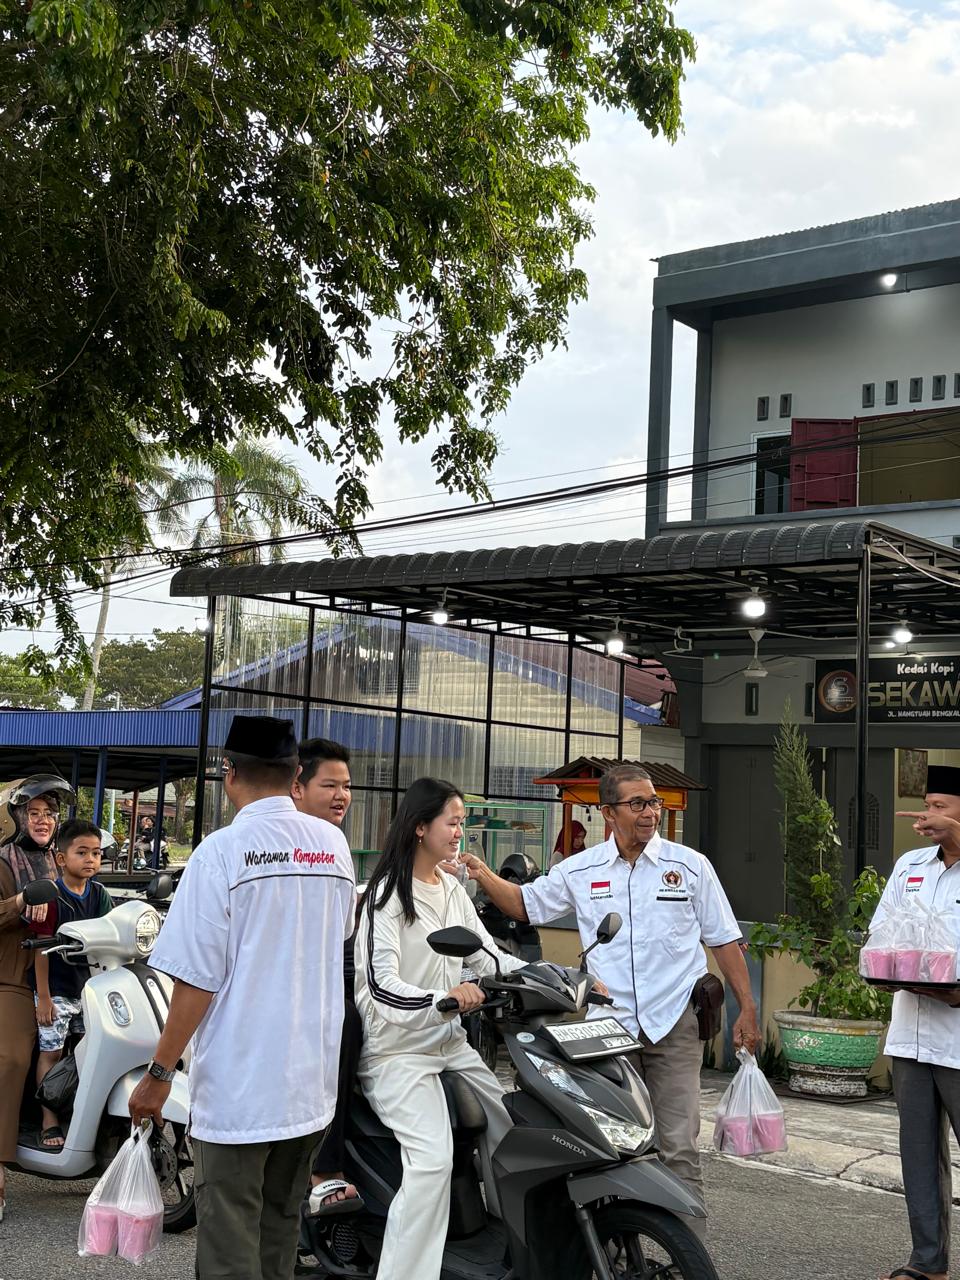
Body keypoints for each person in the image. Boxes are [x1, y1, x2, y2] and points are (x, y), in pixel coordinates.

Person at [462, 762, 760, 1231]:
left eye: (653, 802)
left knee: (678, 1146)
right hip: (607, 1032)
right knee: (612, 1146)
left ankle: (687, 1255)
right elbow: (524, 904)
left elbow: (724, 940)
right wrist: (481, 873)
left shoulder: (689, 866)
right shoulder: (580, 870)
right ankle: (621, 1252)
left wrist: (748, 1008)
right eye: (637, 803)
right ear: (608, 812)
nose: (650, 812)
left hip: (674, 1024)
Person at [128, 715, 355, 1280]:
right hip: (309, 1087)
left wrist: (158, 1074)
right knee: (279, 1236)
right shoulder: (333, 846)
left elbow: (195, 982)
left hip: (240, 1094)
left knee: (229, 1250)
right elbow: (339, 935)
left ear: (228, 772)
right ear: (295, 774)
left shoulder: (221, 853)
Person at [354, 777, 527, 1280]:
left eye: (461, 823)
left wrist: (558, 978)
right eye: (452, 822)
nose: (459, 833)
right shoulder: (385, 896)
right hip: (397, 1052)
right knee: (432, 1162)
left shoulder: (451, 889)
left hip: (450, 1044)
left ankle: (513, 1252)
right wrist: (442, 1000)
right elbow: (380, 985)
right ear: (420, 826)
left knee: (511, 1135)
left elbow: (488, 957)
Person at [874, 765, 960, 1280]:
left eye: (939, 807)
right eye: (926, 806)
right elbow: (882, 931)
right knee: (920, 1156)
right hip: (911, 1035)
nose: (927, 816)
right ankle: (927, 1264)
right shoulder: (911, 865)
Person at [292, 737, 363, 1213]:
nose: (342, 796)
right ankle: (324, 1169)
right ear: (297, 786)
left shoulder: (335, 844)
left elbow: (345, 926)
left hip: (335, 964)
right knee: (344, 1027)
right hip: (294, 979)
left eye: (347, 786)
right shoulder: (284, 841)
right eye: (330, 785)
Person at [0, 774, 75, 1221]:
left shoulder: (62, 859)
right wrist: (18, 903)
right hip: (13, 977)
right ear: (17, 817)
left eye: (49, 813)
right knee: (11, 1059)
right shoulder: (3, 863)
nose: (43, 820)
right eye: (34, 813)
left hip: (63, 974)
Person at [30, 818, 113, 1149]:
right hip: (57, 989)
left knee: (86, 1052)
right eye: (82, 852)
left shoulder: (100, 895)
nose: (91, 859)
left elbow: (112, 935)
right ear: (61, 858)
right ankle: (48, 1119)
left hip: (90, 990)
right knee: (51, 1052)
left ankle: (81, 1117)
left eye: (96, 853)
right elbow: (40, 949)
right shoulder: (51, 896)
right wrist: (44, 998)